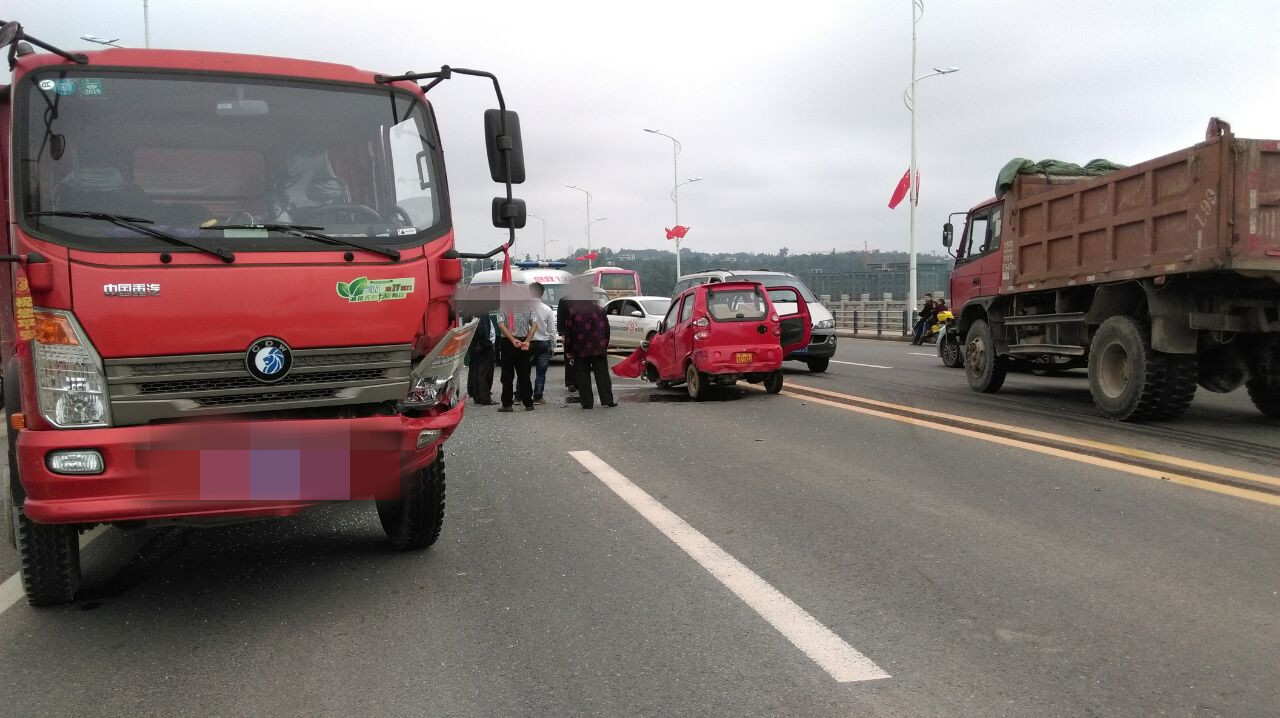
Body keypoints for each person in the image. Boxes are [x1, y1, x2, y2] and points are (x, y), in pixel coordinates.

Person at [564, 294, 615, 409]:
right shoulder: (600, 311)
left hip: (579, 348)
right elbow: (606, 329)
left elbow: (569, 332)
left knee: (582, 376)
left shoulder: (573, 311)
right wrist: (604, 345)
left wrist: (568, 349)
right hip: (598, 348)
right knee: (602, 375)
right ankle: (607, 400)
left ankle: (587, 402)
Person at [497, 294, 539, 412]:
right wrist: (527, 341)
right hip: (524, 342)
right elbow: (535, 325)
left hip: (508, 342)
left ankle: (507, 404)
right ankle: (528, 403)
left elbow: (501, 325)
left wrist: (512, 339)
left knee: (507, 375)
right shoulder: (528, 307)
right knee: (524, 374)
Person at [526, 283, 557, 405]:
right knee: (541, 372)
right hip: (543, 343)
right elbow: (551, 330)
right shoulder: (547, 309)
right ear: (542, 293)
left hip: (527, 342)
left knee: (524, 370)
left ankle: (519, 395)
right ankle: (538, 396)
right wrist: (552, 345)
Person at [465, 311, 498, 405]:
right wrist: (488, 344)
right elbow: (482, 328)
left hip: (474, 345)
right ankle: (485, 398)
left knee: (476, 372)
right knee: (485, 372)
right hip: (483, 346)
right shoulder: (482, 312)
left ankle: (477, 397)